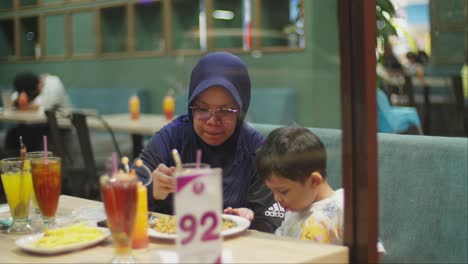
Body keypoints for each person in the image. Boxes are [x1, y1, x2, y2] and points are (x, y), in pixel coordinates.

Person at [134, 52, 283, 232]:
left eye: (226, 110)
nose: (213, 120)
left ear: (241, 110)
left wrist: (248, 221)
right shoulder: (172, 137)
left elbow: (273, 224)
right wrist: (151, 190)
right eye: (202, 108)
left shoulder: (257, 151)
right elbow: (126, 195)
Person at [255, 126, 385, 254]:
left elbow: (373, 253)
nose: (277, 198)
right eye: (273, 191)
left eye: (283, 191)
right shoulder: (292, 213)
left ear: (314, 181)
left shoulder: (345, 206)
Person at [4, 72, 71, 153]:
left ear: (39, 85)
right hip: (38, 124)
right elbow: (15, 98)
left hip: (60, 126)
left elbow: (43, 107)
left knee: (28, 136)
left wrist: (23, 104)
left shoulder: (54, 84)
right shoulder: (31, 85)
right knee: (14, 134)